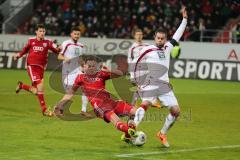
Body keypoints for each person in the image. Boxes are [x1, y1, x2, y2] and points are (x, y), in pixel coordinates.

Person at [133, 7, 188, 147]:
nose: (160, 40)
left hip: (164, 85)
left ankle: (162, 133)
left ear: (165, 39)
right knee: (145, 104)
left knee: (176, 111)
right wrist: (136, 81)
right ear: (154, 38)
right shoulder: (147, 49)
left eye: (163, 38)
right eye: (158, 38)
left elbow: (178, 35)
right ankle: (132, 127)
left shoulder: (168, 47)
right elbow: (135, 63)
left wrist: (185, 20)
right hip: (150, 83)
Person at [54, 56, 138, 144]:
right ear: (84, 66)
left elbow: (120, 74)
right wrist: (60, 105)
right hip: (100, 106)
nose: (91, 68)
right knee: (117, 121)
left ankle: (127, 136)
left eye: (93, 66)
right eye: (89, 66)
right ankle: (134, 134)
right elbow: (69, 94)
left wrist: (109, 70)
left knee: (137, 112)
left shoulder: (101, 74)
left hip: (112, 102)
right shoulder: (80, 78)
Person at [14, 24, 60, 116]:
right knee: (40, 85)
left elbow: (56, 51)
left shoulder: (48, 42)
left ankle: (22, 86)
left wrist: (59, 48)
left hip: (41, 69)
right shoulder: (31, 41)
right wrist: (18, 56)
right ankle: (44, 110)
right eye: (40, 31)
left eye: (43, 31)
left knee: (36, 91)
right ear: (36, 32)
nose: (42, 33)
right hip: (32, 66)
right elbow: (25, 49)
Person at [57, 27, 88, 113]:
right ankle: (59, 107)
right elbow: (59, 56)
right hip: (68, 72)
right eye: (75, 34)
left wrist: (84, 66)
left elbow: (80, 59)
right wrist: (65, 58)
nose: (76, 36)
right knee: (70, 94)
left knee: (86, 88)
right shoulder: (66, 44)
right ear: (71, 34)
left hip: (78, 71)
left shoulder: (81, 46)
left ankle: (83, 110)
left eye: (78, 34)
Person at [128, 29, 161, 108]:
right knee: (142, 87)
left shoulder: (147, 45)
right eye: (137, 35)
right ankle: (151, 101)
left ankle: (152, 101)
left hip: (147, 69)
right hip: (138, 71)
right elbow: (130, 61)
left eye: (141, 34)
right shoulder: (132, 48)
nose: (139, 36)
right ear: (134, 36)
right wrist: (131, 73)